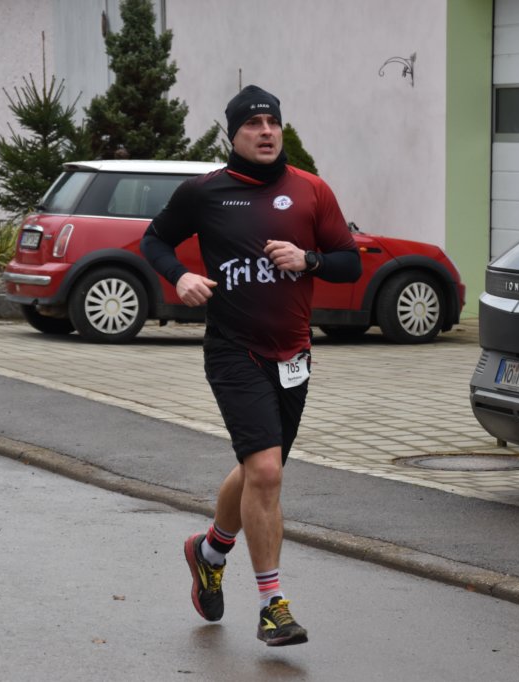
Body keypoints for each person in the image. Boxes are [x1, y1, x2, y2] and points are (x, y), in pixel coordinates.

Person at [140, 84, 361, 647]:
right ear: (233, 134)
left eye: (272, 122)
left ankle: (209, 552)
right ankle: (272, 607)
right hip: (233, 350)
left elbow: (348, 263)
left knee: (261, 468)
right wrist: (180, 277)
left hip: (294, 354)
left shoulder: (312, 190)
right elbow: (155, 240)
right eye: (253, 124)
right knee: (265, 471)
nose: (266, 132)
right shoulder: (205, 192)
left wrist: (308, 259)